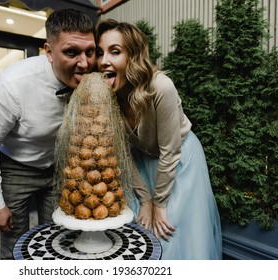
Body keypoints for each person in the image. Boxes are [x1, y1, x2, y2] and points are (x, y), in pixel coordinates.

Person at [0, 9, 96, 259]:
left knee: (58, 239)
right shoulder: (13, 85)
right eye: (72, 52)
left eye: (90, 52)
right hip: (16, 167)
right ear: (48, 52)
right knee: (15, 245)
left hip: (59, 167)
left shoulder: (91, 80)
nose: (84, 63)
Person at [95, 19, 222, 259]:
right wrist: (145, 199)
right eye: (100, 53)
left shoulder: (161, 87)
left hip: (180, 159)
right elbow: (122, 152)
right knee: (139, 227)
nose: (103, 61)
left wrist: (159, 203)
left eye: (115, 52)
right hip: (143, 162)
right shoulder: (107, 95)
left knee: (170, 233)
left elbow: (170, 152)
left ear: (132, 56)